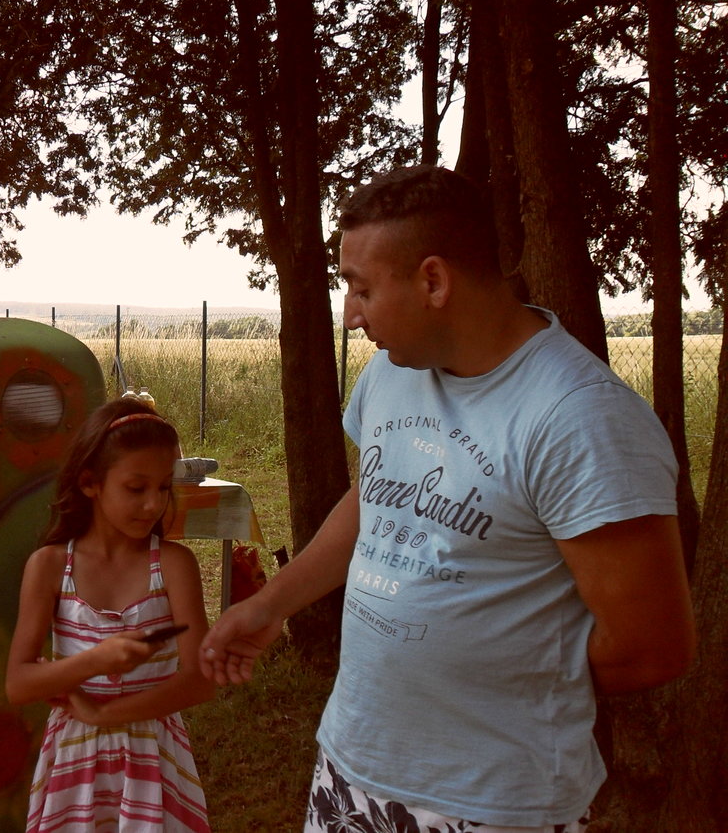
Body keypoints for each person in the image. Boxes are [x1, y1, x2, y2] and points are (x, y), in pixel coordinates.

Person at [200, 166, 696, 833]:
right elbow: (373, 501)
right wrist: (270, 604)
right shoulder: (392, 372)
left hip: (490, 803)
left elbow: (652, 646)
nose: (351, 314)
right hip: (350, 768)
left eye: (362, 289)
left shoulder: (580, 419)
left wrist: (485, 680)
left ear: (433, 281)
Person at [6, 397, 215, 833]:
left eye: (164, 487)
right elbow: (18, 683)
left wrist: (105, 714)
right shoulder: (49, 566)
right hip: (75, 761)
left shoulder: (173, 565)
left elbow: (200, 679)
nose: (153, 504)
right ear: (90, 483)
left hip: (153, 758)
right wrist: (96, 661)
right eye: (136, 488)